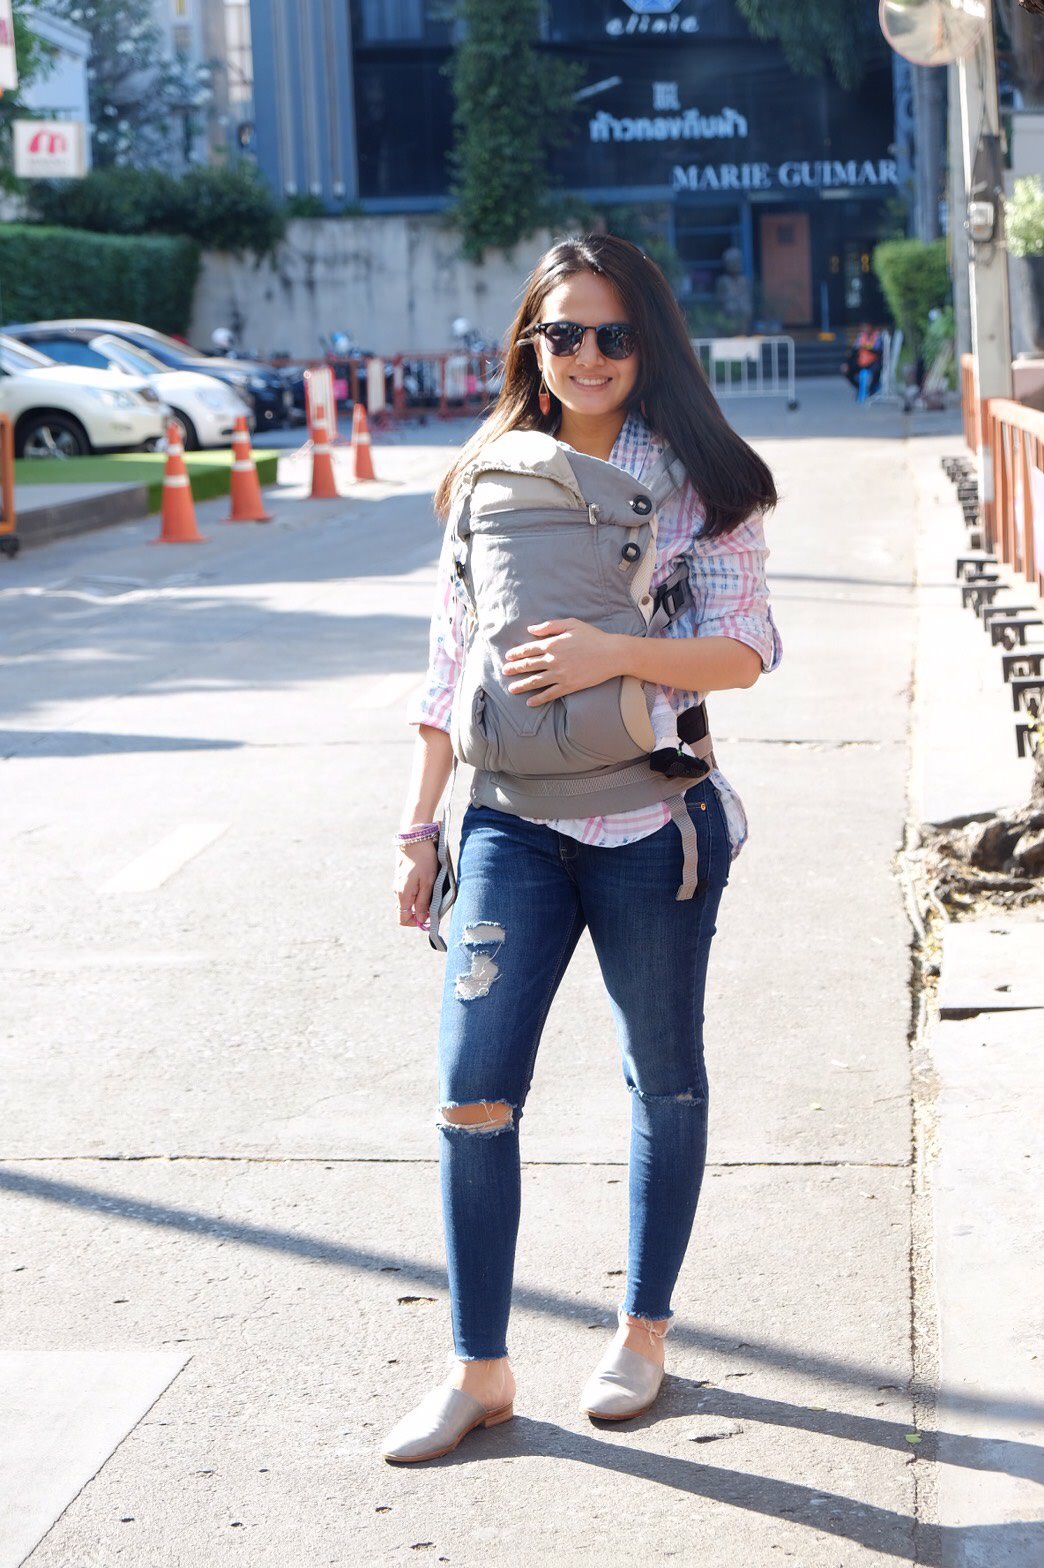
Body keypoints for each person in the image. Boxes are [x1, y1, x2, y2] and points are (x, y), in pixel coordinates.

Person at [385, 233, 781, 1465]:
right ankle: (480, 1368)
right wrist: (418, 826)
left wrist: (619, 653)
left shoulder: (700, 479)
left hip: (649, 821)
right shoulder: (486, 471)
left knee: (662, 1076)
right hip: (509, 818)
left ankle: (642, 1332)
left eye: (615, 332)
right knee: (472, 1090)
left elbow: (746, 648)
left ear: (647, 340)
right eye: (566, 333)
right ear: (532, 343)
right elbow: (451, 660)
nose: (591, 354)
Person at [842, 323, 884, 400]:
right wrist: (846, 363)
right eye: (864, 327)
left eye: (867, 327)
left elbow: (879, 351)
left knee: (876, 371)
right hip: (861, 362)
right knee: (847, 371)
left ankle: (871, 390)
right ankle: (860, 388)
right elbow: (853, 351)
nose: (865, 329)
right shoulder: (860, 337)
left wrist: (867, 347)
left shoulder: (877, 337)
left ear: (871, 327)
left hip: (873, 362)